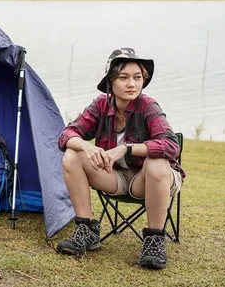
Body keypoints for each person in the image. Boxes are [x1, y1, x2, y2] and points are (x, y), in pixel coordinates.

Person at [56, 47, 186, 270]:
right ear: (110, 82)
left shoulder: (148, 106)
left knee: (156, 162)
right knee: (72, 156)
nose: (132, 84)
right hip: (115, 178)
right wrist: (87, 148)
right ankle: (85, 231)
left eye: (137, 78)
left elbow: (171, 145)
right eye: (123, 78)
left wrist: (126, 149)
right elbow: (66, 134)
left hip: (151, 180)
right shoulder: (100, 105)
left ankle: (154, 241)